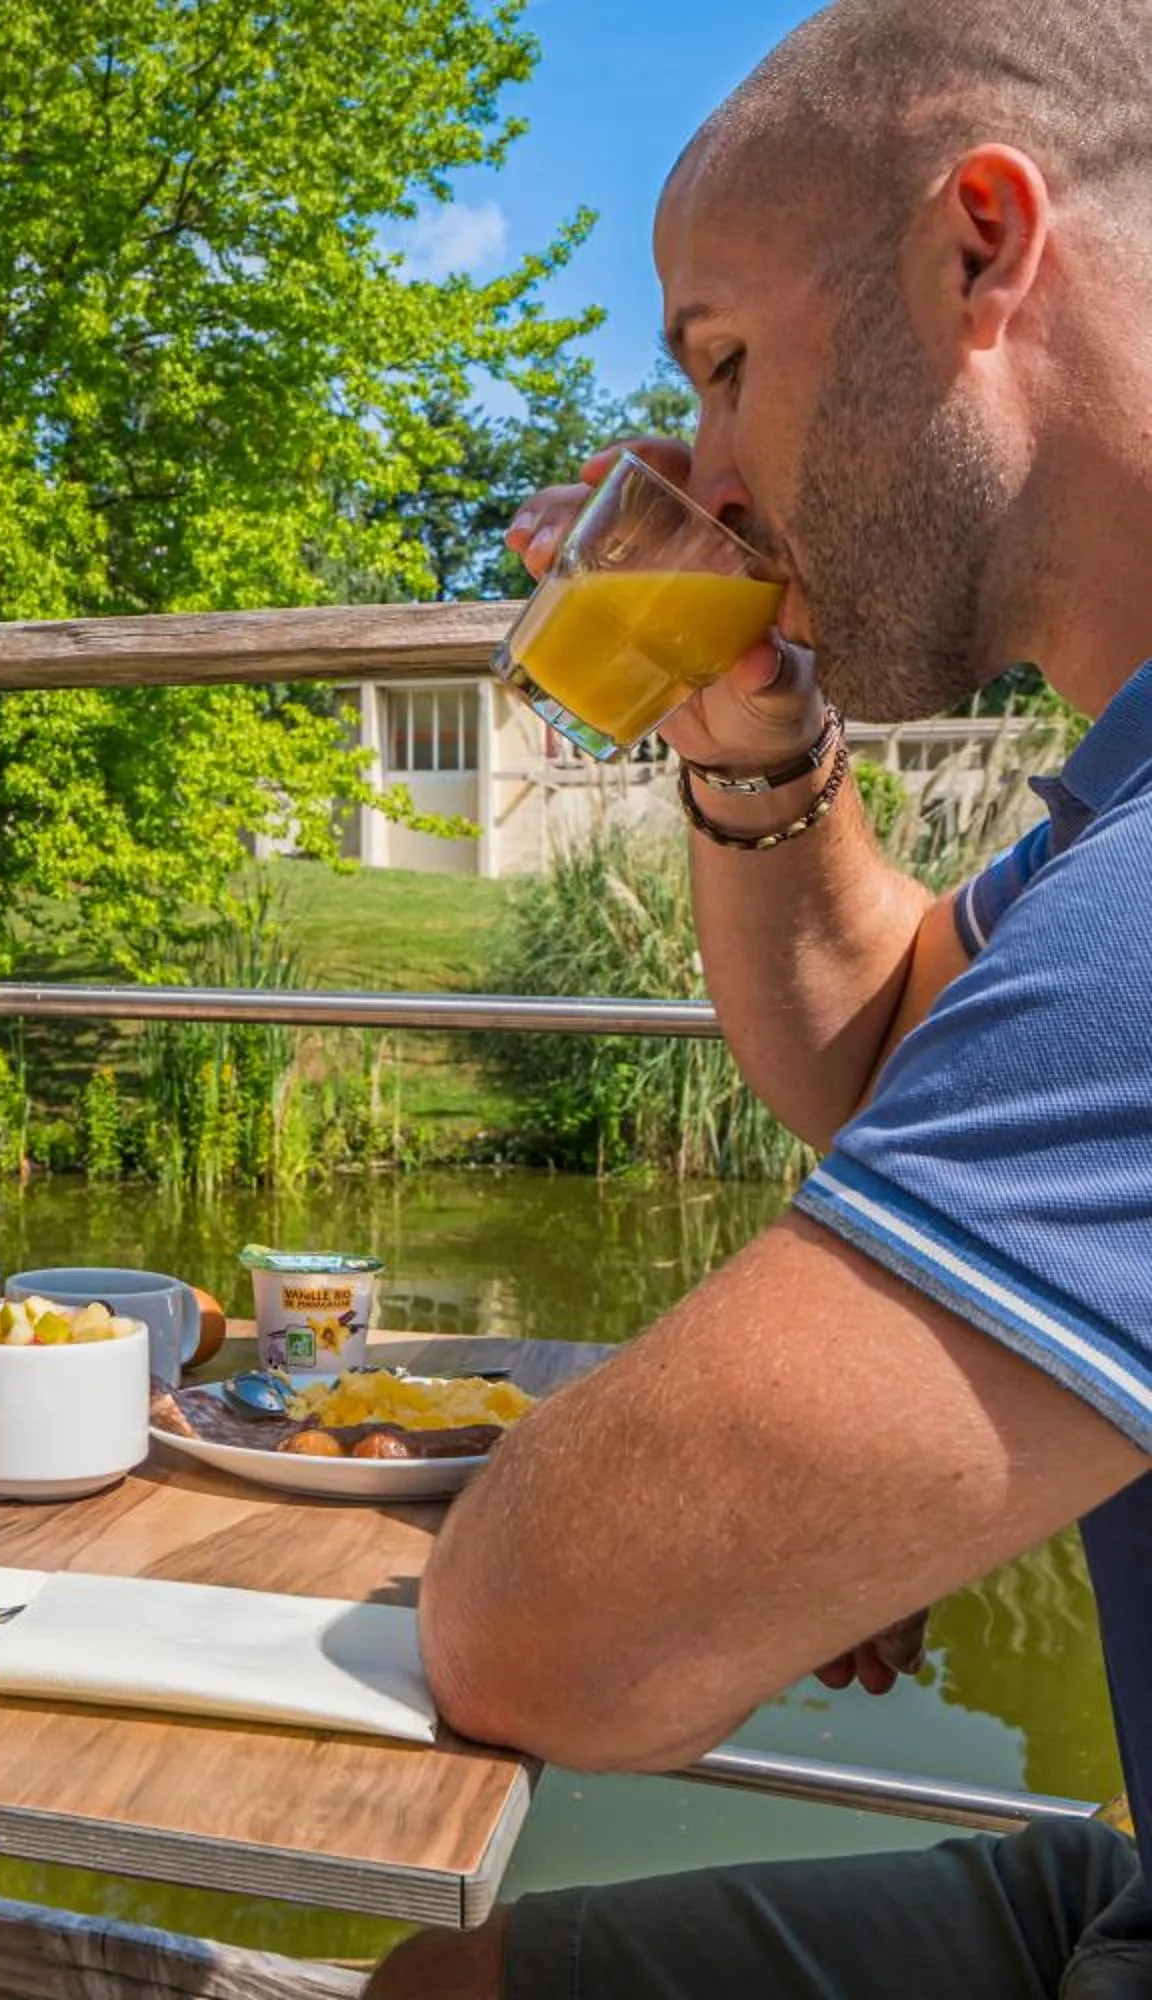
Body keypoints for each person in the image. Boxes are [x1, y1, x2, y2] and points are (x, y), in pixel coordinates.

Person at [364, 3, 1152, 1995]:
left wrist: (717, 1538)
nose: (705, 473)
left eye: (724, 363)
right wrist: (750, 739)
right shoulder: (1113, 813)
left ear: (981, 245)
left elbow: (555, 1636)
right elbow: (900, 1041)